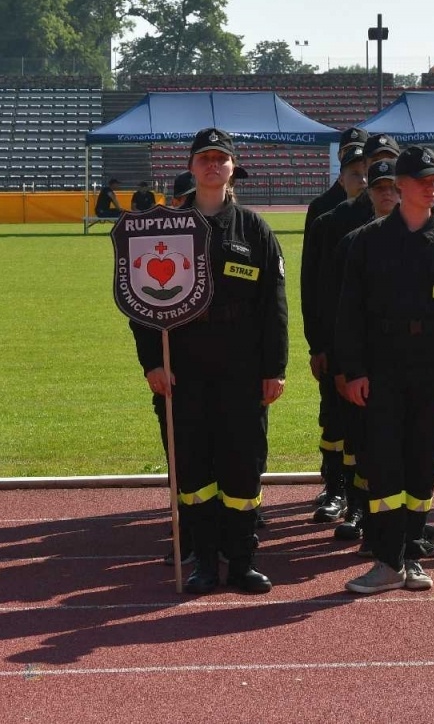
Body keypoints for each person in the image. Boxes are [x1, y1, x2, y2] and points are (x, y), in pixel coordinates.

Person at [133, 128, 287, 594]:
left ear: (232, 168)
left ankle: (240, 562)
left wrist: (274, 369)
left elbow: (273, 305)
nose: (213, 166)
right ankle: (202, 561)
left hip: (241, 369)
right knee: (194, 471)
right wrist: (151, 364)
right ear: (192, 166)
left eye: (221, 159)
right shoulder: (166, 226)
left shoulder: (255, 229)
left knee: (242, 468)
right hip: (185, 368)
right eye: (205, 159)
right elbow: (140, 303)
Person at [337, 147, 434, 595]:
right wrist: (354, 371)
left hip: (433, 371)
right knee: (384, 467)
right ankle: (385, 560)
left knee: (423, 466)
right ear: (399, 186)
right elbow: (349, 314)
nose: (432, 185)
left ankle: (412, 554)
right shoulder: (368, 241)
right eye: (422, 179)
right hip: (382, 369)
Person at [310, 132, 402, 542]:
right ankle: (340, 491)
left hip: (398, 351)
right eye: (365, 168)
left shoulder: (420, 215)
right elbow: (318, 291)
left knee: (386, 432)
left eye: (385, 166)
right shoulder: (332, 219)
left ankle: (387, 513)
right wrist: (322, 345)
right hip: (347, 346)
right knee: (342, 420)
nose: (372, 177)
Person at [301, 139, 368, 522]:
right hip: (334, 337)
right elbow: (313, 286)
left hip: (371, 342)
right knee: (334, 416)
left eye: (368, 171)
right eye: (355, 172)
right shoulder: (325, 215)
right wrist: (318, 343)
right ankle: (334, 485)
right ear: (341, 175)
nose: (362, 179)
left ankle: (361, 494)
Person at [304, 127, 369, 233]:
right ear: (339, 156)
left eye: (360, 149)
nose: (354, 153)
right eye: (348, 150)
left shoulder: (379, 203)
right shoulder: (320, 206)